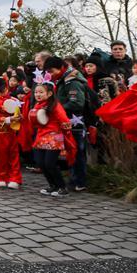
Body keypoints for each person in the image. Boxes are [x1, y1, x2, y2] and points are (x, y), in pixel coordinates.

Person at [44, 56, 89, 192]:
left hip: (75, 121)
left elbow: (76, 103)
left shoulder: (72, 81)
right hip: (67, 120)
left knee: (77, 151)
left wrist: (56, 107)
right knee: (71, 151)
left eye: (52, 71)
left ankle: (79, 182)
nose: (50, 75)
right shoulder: (63, 79)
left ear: (61, 67)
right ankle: (73, 179)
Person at [29, 83, 74, 197]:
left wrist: (65, 131)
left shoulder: (55, 105)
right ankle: (53, 185)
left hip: (54, 136)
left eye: (41, 92)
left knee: (50, 164)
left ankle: (62, 187)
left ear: (49, 94)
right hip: (41, 136)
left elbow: (65, 121)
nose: (37, 94)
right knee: (41, 163)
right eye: (36, 92)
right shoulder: (37, 105)